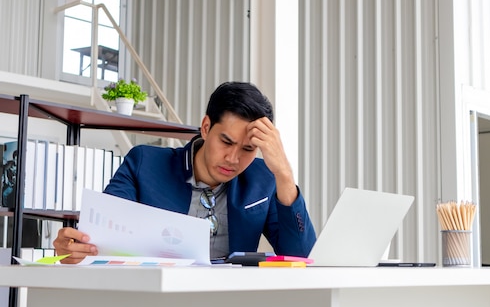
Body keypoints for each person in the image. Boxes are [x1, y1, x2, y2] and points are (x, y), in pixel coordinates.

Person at [53, 81, 317, 263]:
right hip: (154, 305)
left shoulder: (263, 180)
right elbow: (101, 236)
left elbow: (302, 256)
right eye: (226, 142)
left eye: (248, 149)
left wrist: (284, 175)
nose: (233, 158)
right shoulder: (145, 163)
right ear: (205, 127)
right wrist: (76, 247)